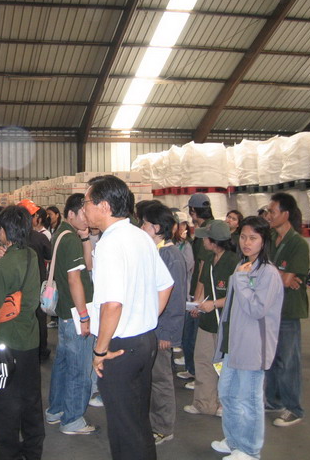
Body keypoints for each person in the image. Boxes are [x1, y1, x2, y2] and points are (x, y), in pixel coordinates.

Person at [82, 175, 173, 460]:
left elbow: (112, 304)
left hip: (119, 347)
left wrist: (100, 350)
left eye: (87, 202)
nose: (84, 209)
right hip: (144, 341)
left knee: (124, 428)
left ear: (104, 206)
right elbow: (165, 284)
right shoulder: (139, 236)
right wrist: (144, 315)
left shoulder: (109, 244)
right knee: (137, 422)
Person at [211, 216, 284, 460]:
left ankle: (250, 450)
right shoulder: (243, 266)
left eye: (253, 238)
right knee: (227, 394)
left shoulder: (268, 273)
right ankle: (235, 441)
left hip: (254, 346)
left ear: (264, 241)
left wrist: (241, 281)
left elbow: (256, 309)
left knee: (249, 399)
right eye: (243, 237)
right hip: (233, 343)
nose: (246, 242)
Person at [0, 205, 44, 459]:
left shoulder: (3, 266)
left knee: (4, 405)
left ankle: (8, 455)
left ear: (4, 231)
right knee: (31, 401)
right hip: (30, 340)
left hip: (5, 345)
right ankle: (33, 452)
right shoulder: (30, 255)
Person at [45, 194, 98, 435]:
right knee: (79, 369)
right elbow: (75, 279)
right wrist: (84, 316)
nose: (87, 218)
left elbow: (87, 266)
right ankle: (73, 419)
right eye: (83, 214)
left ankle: (56, 410)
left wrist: (85, 237)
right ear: (70, 214)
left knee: (63, 365)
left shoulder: (62, 235)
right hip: (76, 314)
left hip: (66, 313)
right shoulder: (69, 240)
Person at [139, 202, 187, 446]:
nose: (141, 227)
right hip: (150, 326)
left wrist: (168, 333)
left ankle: (163, 427)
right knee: (151, 378)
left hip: (161, 330)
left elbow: (176, 299)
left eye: (145, 224)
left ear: (156, 228)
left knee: (161, 380)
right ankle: (153, 422)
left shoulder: (171, 256)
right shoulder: (156, 251)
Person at [265, 192, 309, 428]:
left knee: (288, 360)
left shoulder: (298, 244)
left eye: (272, 211)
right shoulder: (271, 238)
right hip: (270, 308)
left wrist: (277, 275)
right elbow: (259, 268)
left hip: (288, 310)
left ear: (285, 214)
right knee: (271, 358)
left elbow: (285, 279)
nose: (268, 215)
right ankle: (274, 400)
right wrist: (280, 274)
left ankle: (294, 408)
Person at [185, 220, 239, 418]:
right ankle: (204, 403)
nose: (202, 241)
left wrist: (214, 304)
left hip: (226, 323)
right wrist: (198, 303)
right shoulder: (209, 258)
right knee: (203, 361)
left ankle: (225, 403)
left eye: (205, 238)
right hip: (207, 321)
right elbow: (203, 282)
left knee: (225, 366)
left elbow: (238, 295)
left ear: (214, 241)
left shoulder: (235, 262)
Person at [179, 193, 215, 389]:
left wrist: (197, 298)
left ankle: (197, 374)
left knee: (196, 337)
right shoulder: (207, 227)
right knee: (191, 335)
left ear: (193, 211)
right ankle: (192, 370)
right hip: (200, 290)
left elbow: (202, 266)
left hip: (203, 293)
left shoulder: (205, 233)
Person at [15, 199, 52, 361]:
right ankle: (41, 351)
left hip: (18, 286)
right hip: (38, 284)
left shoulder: (13, 238)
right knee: (40, 318)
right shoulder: (39, 238)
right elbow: (50, 257)